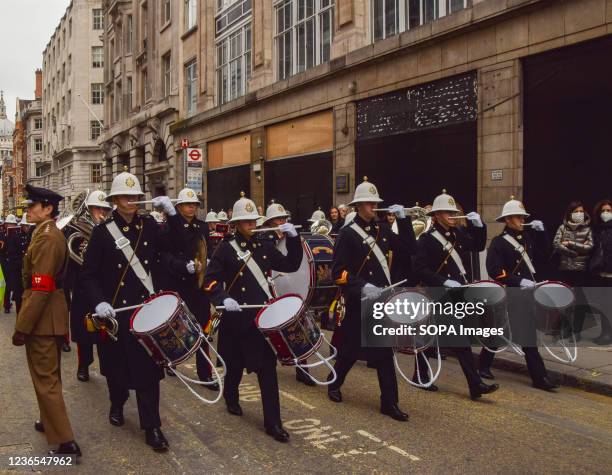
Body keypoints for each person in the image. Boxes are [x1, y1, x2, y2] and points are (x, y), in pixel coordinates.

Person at [81, 171, 175, 451]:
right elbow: (88, 275)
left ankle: (152, 426)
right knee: (116, 367)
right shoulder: (101, 232)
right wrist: (98, 301)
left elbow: (174, 247)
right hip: (116, 313)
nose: (131, 201)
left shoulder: (149, 226)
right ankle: (117, 402)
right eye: (125, 196)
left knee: (148, 369)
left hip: (145, 310)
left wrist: (173, 218)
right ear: (114, 200)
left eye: (135, 196)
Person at [203, 193, 302, 442]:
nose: (251, 225)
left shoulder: (265, 245)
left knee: (267, 370)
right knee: (234, 367)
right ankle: (231, 397)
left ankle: (273, 423)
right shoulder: (225, 248)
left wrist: (294, 238)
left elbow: (291, 264)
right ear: (236, 224)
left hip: (261, 319)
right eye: (246, 221)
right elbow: (209, 281)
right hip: (237, 321)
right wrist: (223, 298)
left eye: (253, 220)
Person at [327, 178, 415, 421]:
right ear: (358, 206)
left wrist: (403, 220)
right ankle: (334, 382)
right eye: (368, 203)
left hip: (382, 302)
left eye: (375, 203)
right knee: (350, 351)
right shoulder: (347, 234)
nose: (373, 207)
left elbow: (409, 248)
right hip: (360, 301)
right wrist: (363, 286)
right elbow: (338, 273)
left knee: (385, 352)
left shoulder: (383, 230)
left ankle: (389, 403)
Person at [12, 184, 81, 457]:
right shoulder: (44, 233)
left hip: (42, 317)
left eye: (32, 206)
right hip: (49, 315)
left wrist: (22, 327)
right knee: (48, 374)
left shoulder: (47, 237)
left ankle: (66, 441)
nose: (28, 210)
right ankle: (48, 420)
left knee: (46, 378)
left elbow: (40, 287)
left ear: (48, 208)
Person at [414, 189, 499, 400]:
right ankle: (474, 384)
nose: (453, 215)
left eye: (454, 212)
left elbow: (477, 246)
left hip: (459, 293)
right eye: (447, 212)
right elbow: (420, 269)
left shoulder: (458, 233)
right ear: (437, 215)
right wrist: (443, 281)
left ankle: (421, 375)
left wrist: (479, 226)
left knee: (434, 337)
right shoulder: (427, 239)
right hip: (440, 294)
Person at [479, 197, 558, 390]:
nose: (522, 220)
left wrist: (542, 234)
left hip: (526, 294)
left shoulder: (528, 238)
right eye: (517, 217)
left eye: (523, 217)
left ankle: (538, 377)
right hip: (509, 292)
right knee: (500, 332)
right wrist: (518, 281)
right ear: (507, 220)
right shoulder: (499, 243)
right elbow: (495, 270)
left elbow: (544, 255)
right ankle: (484, 366)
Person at [158, 188, 218, 389]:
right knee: (174, 327)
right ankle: (171, 360)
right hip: (178, 283)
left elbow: (205, 247)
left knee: (203, 328)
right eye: (187, 204)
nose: (192, 207)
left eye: (194, 204)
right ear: (179, 206)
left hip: (198, 285)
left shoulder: (202, 227)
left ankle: (205, 373)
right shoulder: (168, 228)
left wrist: (207, 260)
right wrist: (182, 266)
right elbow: (164, 257)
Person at [260, 200, 316, 387]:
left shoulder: (288, 236)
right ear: (268, 222)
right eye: (277, 219)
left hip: (286, 287)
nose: (281, 221)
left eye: (283, 218)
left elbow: (295, 261)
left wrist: (292, 236)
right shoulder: (264, 238)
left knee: (295, 326)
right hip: (267, 288)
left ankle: (302, 368)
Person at [65, 190, 111, 382]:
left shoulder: (112, 228)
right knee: (84, 331)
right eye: (96, 208)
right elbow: (70, 257)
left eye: (104, 208)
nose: (101, 211)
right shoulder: (76, 229)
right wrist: (84, 248)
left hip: (106, 288)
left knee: (107, 333)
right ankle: (83, 365)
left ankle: (109, 368)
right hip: (83, 288)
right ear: (88, 208)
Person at [553, 201, 593, 340]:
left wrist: (569, 243)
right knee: (565, 300)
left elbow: (590, 247)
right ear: (570, 213)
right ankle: (565, 328)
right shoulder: (562, 228)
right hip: (565, 268)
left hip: (580, 270)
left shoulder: (588, 229)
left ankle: (577, 331)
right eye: (576, 211)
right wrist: (576, 252)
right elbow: (556, 244)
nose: (579, 214)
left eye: (581, 211)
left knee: (579, 301)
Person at [589, 199, 612, 344]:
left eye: (608, 211)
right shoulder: (596, 229)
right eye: (603, 211)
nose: (606, 213)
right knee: (603, 304)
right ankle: (606, 333)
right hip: (601, 272)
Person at [3, 214, 27, 314]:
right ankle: (6, 304)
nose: (10, 225)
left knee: (10, 285)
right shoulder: (3, 234)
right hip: (5, 263)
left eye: (12, 224)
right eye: (9, 223)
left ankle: (8, 304)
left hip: (14, 265)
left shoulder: (18, 236)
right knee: (6, 285)